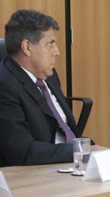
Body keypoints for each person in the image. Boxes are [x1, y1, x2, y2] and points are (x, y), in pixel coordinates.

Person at [0, 10, 89, 165]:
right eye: (50, 44)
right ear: (27, 47)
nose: (57, 52)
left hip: (69, 163)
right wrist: (79, 150)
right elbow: (22, 151)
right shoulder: (5, 84)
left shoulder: (49, 75)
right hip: (34, 174)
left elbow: (65, 130)